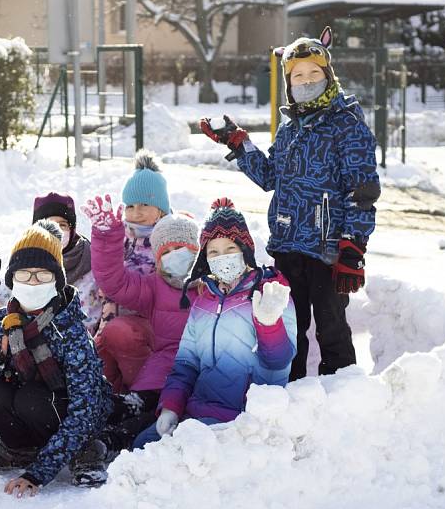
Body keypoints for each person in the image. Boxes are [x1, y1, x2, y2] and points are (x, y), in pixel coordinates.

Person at [199, 26, 380, 381]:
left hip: (329, 248)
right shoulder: (290, 128)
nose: (307, 80)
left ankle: (342, 394)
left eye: (315, 73)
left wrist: (353, 246)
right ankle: (289, 391)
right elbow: (270, 176)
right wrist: (238, 143)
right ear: (289, 82)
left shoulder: (347, 124)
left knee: (331, 326)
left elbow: (362, 191)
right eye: (298, 75)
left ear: (328, 76)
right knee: (289, 325)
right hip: (287, 243)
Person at [133, 198, 297, 448]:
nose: (223, 258)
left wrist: (269, 323)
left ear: (245, 249)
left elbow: (279, 363)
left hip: (241, 422)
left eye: (230, 249)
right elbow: (186, 364)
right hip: (196, 415)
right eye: (214, 252)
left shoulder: (270, 293)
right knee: (142, 445)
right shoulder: (203, 302)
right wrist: (171, 408)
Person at [0, 220, 113, 496]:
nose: (33, 283)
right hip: (31, 415)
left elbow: (86, 409)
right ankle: (16, 451)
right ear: (12, 280)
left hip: (69, 416)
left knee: (30, 397)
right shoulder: (2, 322)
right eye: (24, 275)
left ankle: (85, 450)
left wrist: (39, 472)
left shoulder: (70, 328)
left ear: (57, 280)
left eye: (42, 276)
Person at [83, 191, 200, 455]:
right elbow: (114, 281)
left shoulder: (210, 287)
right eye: (166, 251)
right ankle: (95, 431)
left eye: (181, 249)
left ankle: (110, 440)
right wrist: (106, 235)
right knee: (140, 404)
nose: (174, 256)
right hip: (158, 376)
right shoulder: (154, 287)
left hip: (198, 375)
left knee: (164, 412)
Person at [92, 150, 172, 394]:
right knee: (96, 355)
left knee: (123, 335)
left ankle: (139, 394)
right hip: (110, 316)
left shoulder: (170, 240)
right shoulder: (119, 237)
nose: (136, 212)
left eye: (145, 204)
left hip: (150, 325)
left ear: (161, 209)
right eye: (130, 206)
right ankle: (110, 398)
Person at [0, 192, 103, 336]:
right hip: (20, 344)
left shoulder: (89, 265)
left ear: (72, 229)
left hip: (68, 350)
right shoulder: (26, 260)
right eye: (49, 225)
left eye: (62, 225)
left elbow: (91, 326)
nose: (56, 231)